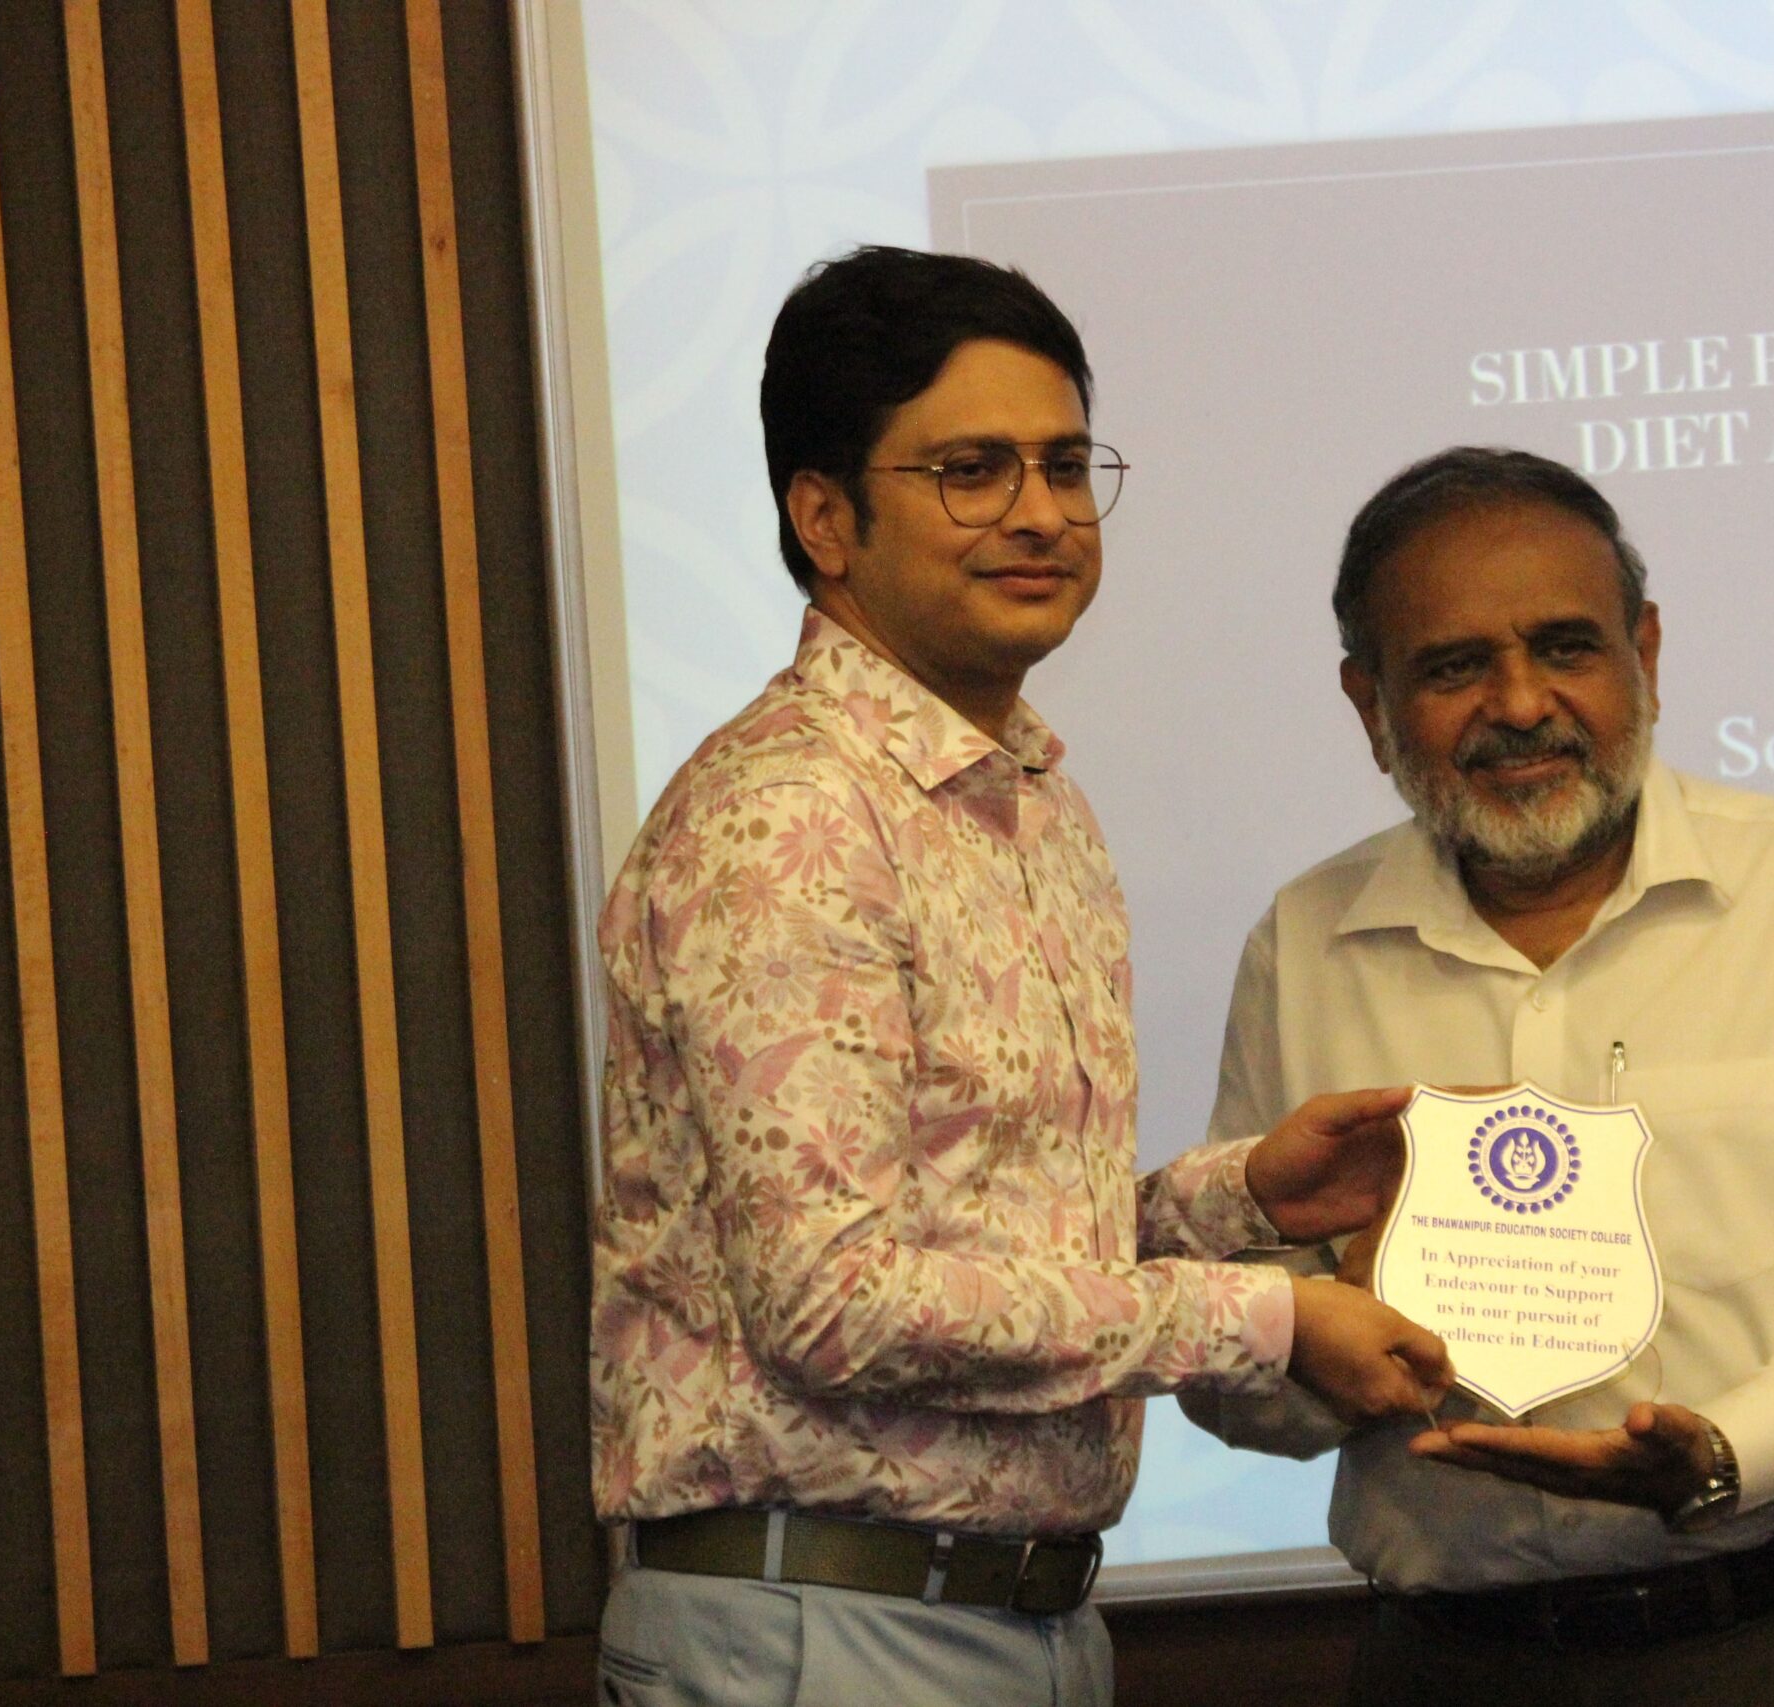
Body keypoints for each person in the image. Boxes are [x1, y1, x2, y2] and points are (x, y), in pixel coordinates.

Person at [589, 248, 1451, 1707]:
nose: (1042, 513)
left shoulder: (1028, 797)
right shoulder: (794, 813)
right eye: (973, 471)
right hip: (824, 1626)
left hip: (1010, 1620)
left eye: (1064, 464)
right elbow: (836, 1302)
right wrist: (1264, 1315)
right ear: (824, 517)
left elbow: (981, 1232)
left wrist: (1244, 1199)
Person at [1181, 447, 1774, 1705]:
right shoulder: (1306, 943)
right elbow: (1227, 1364)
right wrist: (1319, 1354)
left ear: (1645, 653)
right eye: (1454, 667)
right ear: (1370, 704)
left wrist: (1728, 1453)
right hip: (1455, 1667)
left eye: (1566, 648)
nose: (1521, 704)